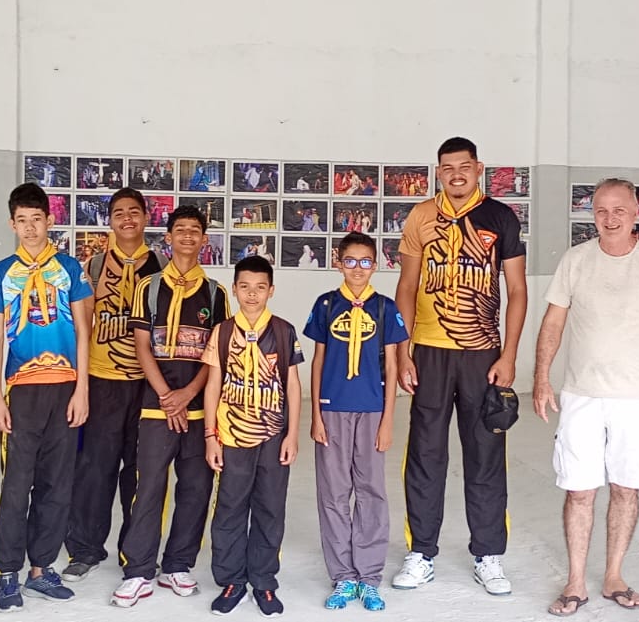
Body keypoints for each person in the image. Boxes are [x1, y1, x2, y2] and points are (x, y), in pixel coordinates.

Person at [531, 178, 639, 616]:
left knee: (625, 488)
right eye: (601, 210)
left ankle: (614, 575)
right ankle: (576, 581)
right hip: (581, 394)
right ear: (592, 215)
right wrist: (541, 378)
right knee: (579, 490)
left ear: (636, 213)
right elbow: (553, 322)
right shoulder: (576, 261)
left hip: (635, 398)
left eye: (619, 210)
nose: (610, 218)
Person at [393, 137, 527, 595]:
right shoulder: (420, 216)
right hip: (428, 352)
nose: (456, 175)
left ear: (479, 168)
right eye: (447, 168)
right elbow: (406, 286)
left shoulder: (500, 217)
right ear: (438, 172)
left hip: (482, 353)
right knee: (425, 454)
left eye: (464, 166)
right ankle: (421, 552)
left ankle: (488, 555)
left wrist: (509, 354)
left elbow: (517, 290)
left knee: (485, 453)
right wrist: (403, 350)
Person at [0, 184, 95, 611]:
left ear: (50, 220)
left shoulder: (69, 268)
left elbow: (83, 331)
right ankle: (8, 572)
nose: (30, 228)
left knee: (57, 482)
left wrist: (82, 388)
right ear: (12, 224)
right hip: (22, 390)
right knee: (17, 484)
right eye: (22, 221)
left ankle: (41, 568)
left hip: (65, 386)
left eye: (37, 219)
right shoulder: (3, 272)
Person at [113, 206, 231, 608]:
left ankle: (178, 564)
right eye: (180, 230)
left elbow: (216, 353)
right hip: (155, 407)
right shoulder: (148, 287)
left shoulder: (215, 293)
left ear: (204, 240)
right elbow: (142, 346)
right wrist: (167, 395)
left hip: (199, 410)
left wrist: (188, 394)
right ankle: (139, 569)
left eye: (195, 231)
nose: (187, 237)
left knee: (196, 488)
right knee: (148, 487)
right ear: (168, 237)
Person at [64, 189, 166, 581]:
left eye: (134, 212)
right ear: (109, 220)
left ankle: (136, 553)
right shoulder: (92, 267)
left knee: (141, 472)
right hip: (102, 379)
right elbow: (83, 327)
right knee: (94, 469)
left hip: (146, 383)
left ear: (146, 218)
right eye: (119, 212)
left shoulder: (161, 267)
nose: (127, 219)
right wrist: (80, 383)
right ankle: (85, 549)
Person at [304, 232, 408, 612]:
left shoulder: (385, 308)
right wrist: (315, 415)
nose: (358, 269)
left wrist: (388, 419)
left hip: (371, 410)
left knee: (371, 491)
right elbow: (318, 361)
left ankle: (369, 576)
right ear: (339, 263)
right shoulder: (326, 304)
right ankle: (343, 576)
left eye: (365, 262)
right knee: (333, 493)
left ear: (375, 265)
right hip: (332, 409)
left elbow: (393, 366)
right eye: (350, 261)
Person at [201, 255, 304, 617]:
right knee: (229, 509)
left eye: (260, 287)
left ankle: (263, 580)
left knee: (270, 508)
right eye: (244, 286)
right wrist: (211, 436)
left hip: (273, 436)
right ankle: (232, 580)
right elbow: (213, 385)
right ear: (234, 289)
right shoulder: (222, 332)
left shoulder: (283, 331)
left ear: (271, 290)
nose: (252, 294)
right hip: (231, 436)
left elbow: (293, 386)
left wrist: (292, 435)